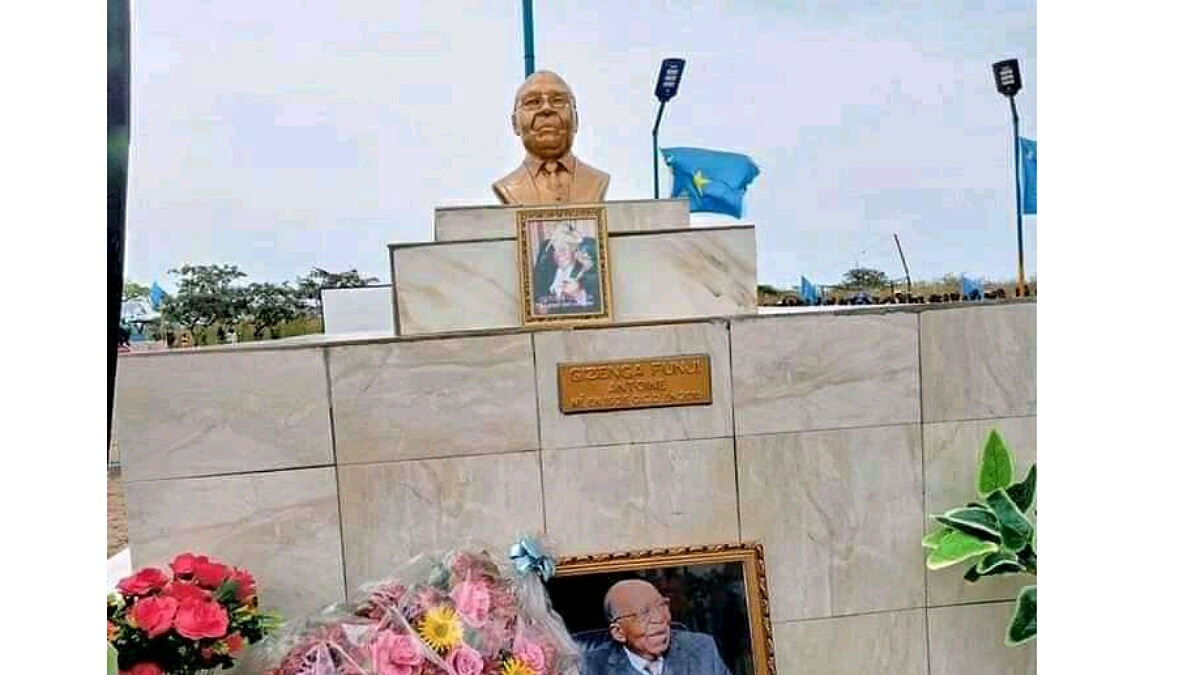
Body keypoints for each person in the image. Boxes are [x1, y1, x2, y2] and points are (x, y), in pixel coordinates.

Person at [493, 70, 610, 205]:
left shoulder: (596, 180)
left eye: (558, 101)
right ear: (515, 124)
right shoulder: (507, 187)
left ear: (576, 120)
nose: (546, 109)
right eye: (533, 102)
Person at [582, 579, 732, 675]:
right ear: (619, 632)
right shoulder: (590, 669)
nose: (660, 619)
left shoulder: (702, 650)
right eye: (644, 612)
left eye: (662, 606)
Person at [531, 224, 601, 315]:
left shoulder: (588, 274)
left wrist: (578, 293)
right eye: (555, 249)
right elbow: (537, 295)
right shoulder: (547, 270)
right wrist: (538, 307)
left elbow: (598, 302)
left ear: (574, 251)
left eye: (564, 249)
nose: (559, 255)